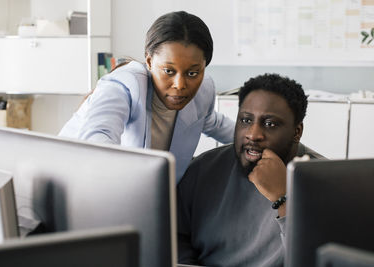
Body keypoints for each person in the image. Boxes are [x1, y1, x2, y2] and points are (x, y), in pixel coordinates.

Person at [58, 11, 234, 183]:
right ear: (149, 62)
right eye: (169, 71)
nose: (180, 84)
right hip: (75, 182)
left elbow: (214, 122)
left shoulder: (204, 90)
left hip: (149, 194)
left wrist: (258, 143)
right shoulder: (124, 85)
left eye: (193, 73)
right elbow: (97, 140)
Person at [177, 73, 324, 267]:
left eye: (270, 124)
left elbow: (315, 260)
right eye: (246, 121)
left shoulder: (324, 182)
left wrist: (283, 198)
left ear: (297, 132)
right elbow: (176, 237)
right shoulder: (202, 168)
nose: (253, 135)